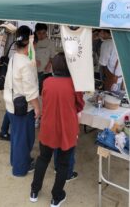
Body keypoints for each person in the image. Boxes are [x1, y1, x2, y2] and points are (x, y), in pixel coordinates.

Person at [30, 52, 84, 206]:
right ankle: (56, 196)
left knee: (43, 158)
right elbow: (79, 105)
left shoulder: (47, 82)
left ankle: (34, 190)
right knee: (63, 164)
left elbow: (46, 99)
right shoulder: (75, 84)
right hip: (67, 128)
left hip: (48, 126)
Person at [3, 25, 40, 177]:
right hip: (22, 107)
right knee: (24, 139)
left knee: (18, 137)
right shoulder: (25, 63)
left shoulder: (15, 57)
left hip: (11, 104)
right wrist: (38, 108)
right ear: (31, 42)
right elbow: (30, 92)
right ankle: (20, 168)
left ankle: (17, 161)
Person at [34, 23, 56, 94]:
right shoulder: (33, 43)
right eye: (39, 33)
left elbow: (52, 56)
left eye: (43, 33)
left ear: (46, 32)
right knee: (36, 92)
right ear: (36, 32)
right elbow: (29, 55)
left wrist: (49, 65)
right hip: (35, 72)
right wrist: (34, 60)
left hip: (47, 72)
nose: (41, 35)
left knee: (46, 92)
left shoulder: (50, 43)